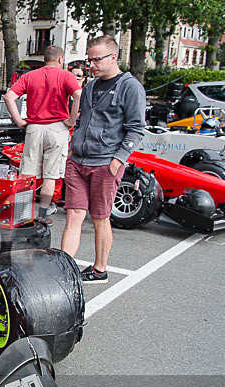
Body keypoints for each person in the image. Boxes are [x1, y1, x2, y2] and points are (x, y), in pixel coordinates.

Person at [61, 36, 146, 283]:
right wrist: (72, 148)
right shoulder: (90, 86)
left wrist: (118, 160)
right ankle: (64, 267)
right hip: (78, 160)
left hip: (105, 163)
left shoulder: (130, 86)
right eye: (90, 60)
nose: (92, 64)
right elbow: (82, 119)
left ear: (113, 57)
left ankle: (100, 269)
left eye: (97, 59)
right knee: (74, 213)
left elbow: (136, 128)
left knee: (100, 217)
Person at [3, 45, 82, 225]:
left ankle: (21, 215)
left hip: (34, 128)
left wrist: (19, 121)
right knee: (51, 175)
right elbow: (78, 95)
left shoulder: (30, 76)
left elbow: (9, 97)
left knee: (26, 174)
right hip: (57, 129)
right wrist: (71, 119)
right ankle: (43, 215)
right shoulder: (66, 76)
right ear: (61, 59)